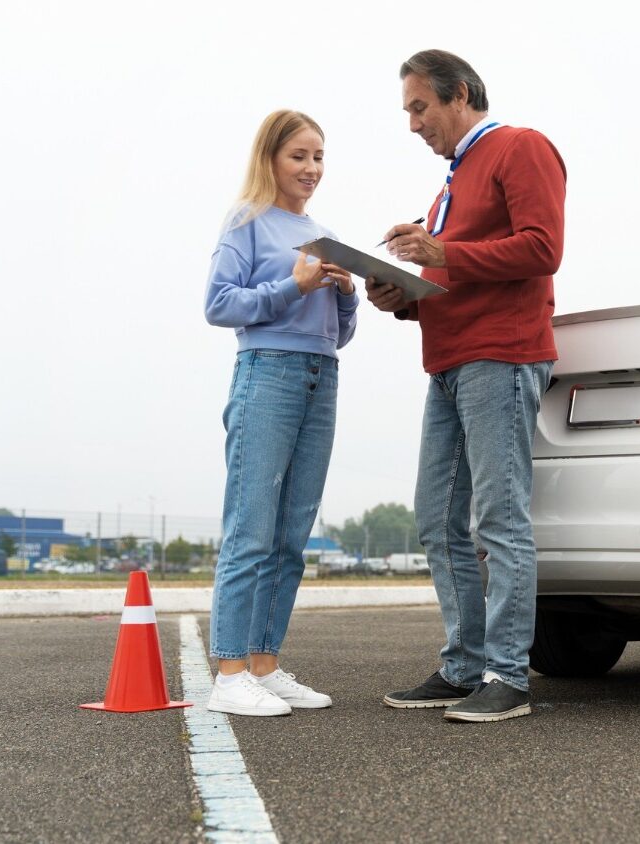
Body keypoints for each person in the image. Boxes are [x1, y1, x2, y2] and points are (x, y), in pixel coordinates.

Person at [370, 50, 566, 723]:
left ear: (460, 96)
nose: (414, 124)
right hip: (450, 362)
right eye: (409, 112)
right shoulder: (448, 186)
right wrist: (400, 296)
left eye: (420, 107)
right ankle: (464, 666)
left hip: (501, 358)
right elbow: (454, 278)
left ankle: (507, 675)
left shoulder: (520, 147)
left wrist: (440, 251)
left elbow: (542, 248)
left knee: (499, 518)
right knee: (436, 517)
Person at [202, 109, 358, 716]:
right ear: (270, 158)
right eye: (299, 156)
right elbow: (219, 305)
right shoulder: (246, 222)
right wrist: (293, 285)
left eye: (319, 157)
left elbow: (337, 336)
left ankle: (264, 664)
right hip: (267, 374)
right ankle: (230, 671)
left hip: (323, 376)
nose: (312, 168)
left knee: (292, 534)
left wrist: (346, 295)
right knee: (252, 528)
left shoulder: (323, 232)